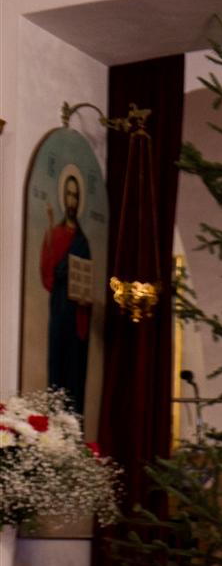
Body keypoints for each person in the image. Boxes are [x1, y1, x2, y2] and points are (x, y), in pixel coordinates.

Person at [39, 169, 92, 415]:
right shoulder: (55, 234)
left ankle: (74, 422)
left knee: (75, 371)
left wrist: (84, 295)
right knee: (59, 368)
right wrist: (59, 270)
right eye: (68, 195)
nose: (72, 201)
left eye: (75, 196)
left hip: (77, 314)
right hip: (60, 309)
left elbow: (87, 280)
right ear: (64, 198)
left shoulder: (83, 241)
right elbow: (47, 277)